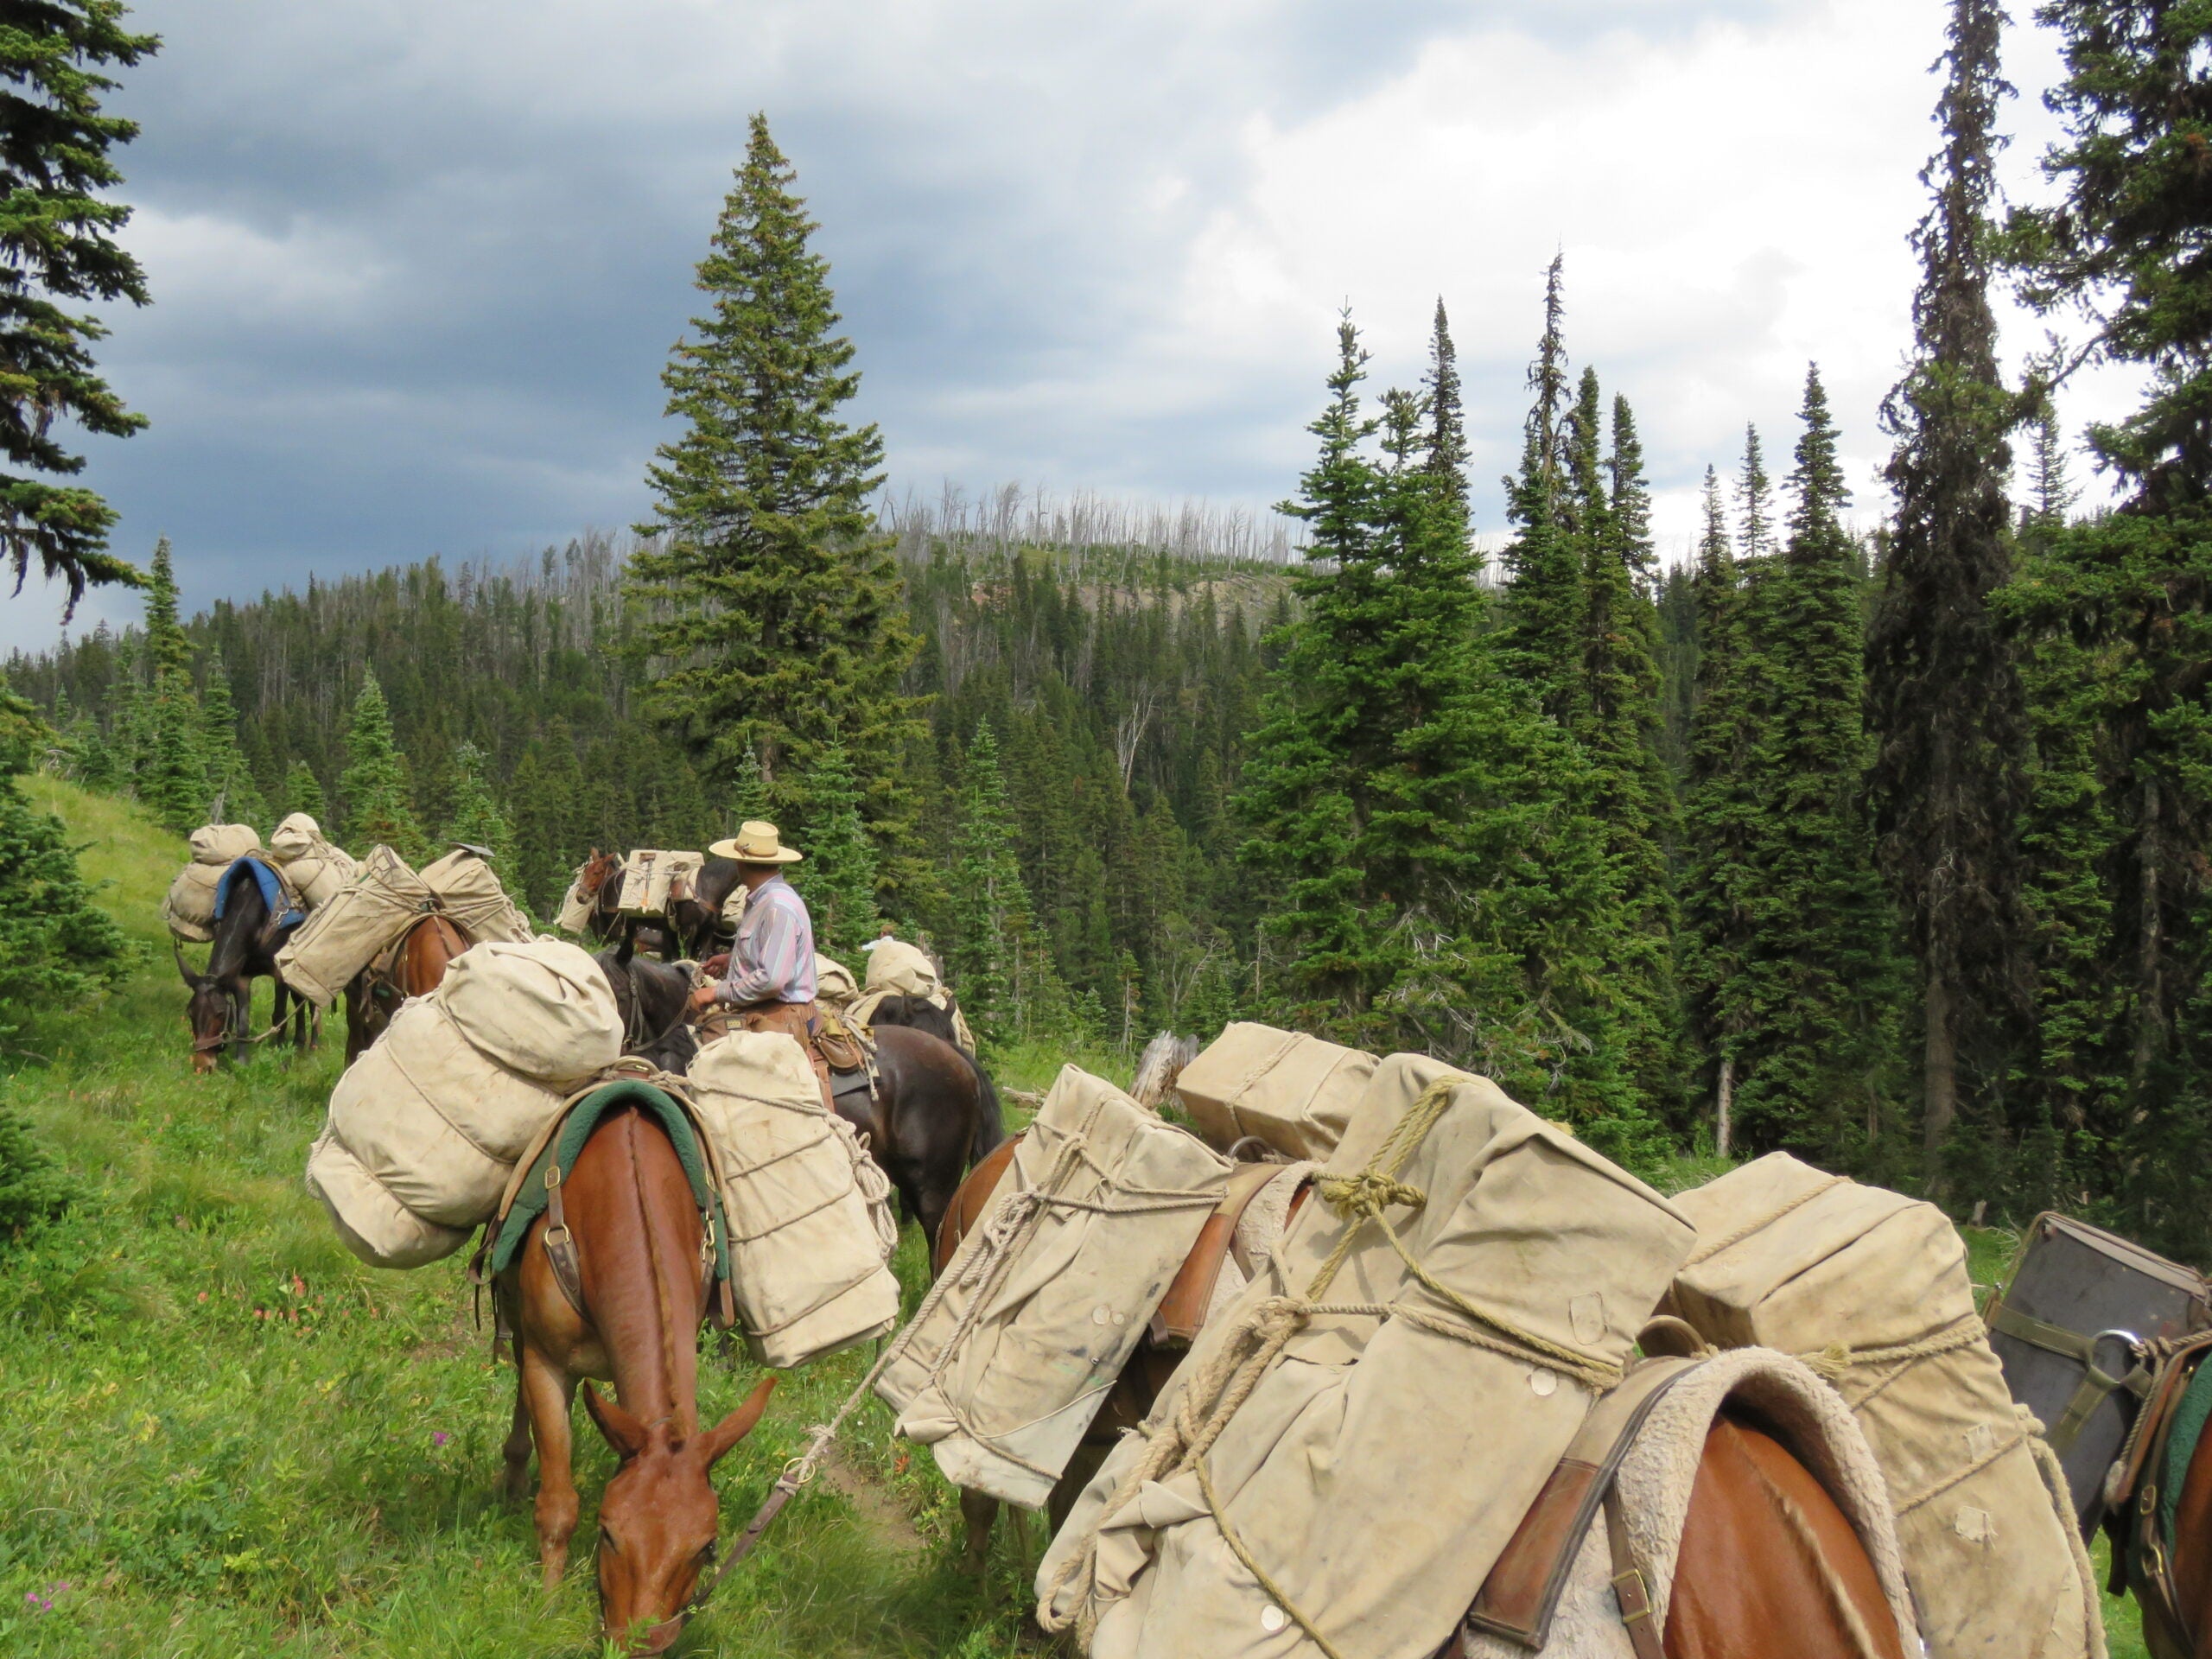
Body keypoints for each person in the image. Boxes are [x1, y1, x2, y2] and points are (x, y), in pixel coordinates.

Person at [688, 820, 831, 1101]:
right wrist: (733, 958)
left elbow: (772, 980)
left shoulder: (777, 907)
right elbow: (771, 953)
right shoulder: (764, 900)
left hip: (778, 1013)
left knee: (710, 1069)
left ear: (741, 864)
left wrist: (715, 991)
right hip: (762, 1007)